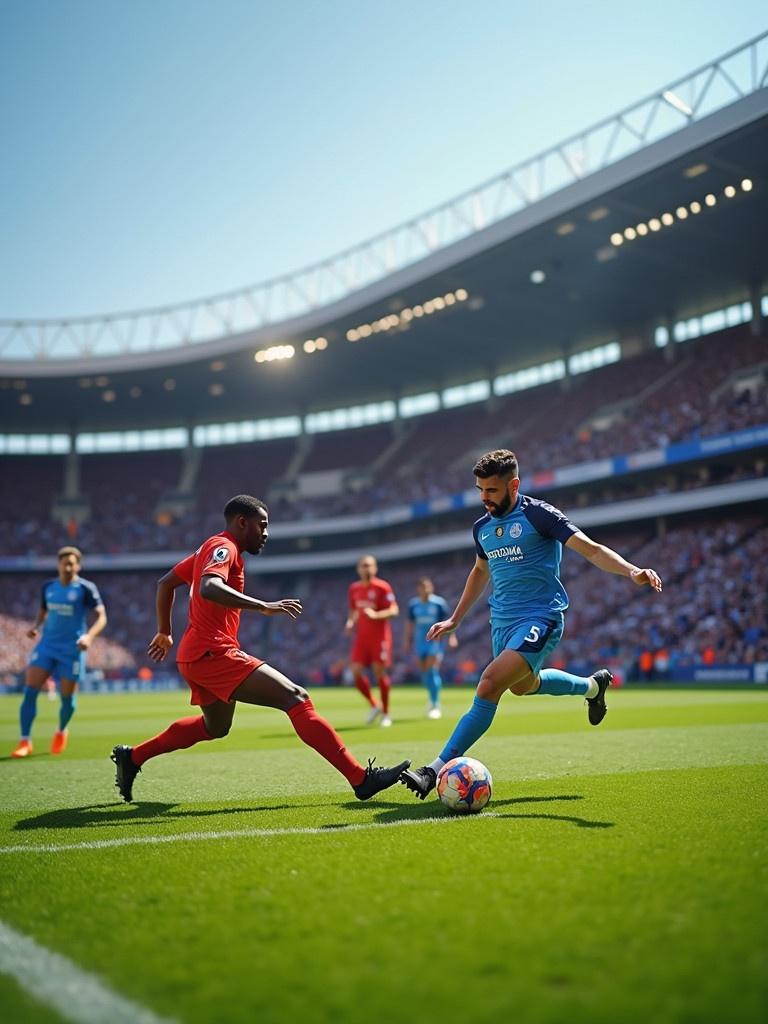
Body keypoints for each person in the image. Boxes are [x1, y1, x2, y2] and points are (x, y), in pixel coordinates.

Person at [400, 449, 662, 799]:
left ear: (514, 485)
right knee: (524, 686)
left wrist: (632, 570)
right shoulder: (482, 528)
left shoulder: (540, 515)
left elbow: (591, 549)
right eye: (480, 489)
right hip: (502, 622)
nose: (484, 498)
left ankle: (433, 769)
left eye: (491, 490)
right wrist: (454, 619)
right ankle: (592, 688)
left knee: (489, 684)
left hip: (542, 616)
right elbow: (480, 572)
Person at [111, 495, 409, 803]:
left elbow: (165, 583)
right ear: (242, 522)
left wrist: (164, 631)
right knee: (296, 698)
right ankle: (361, 779)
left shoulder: (208, 548)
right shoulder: (223, 547)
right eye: (262, 526)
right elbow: (208, 587)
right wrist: (262, 606)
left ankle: (133, 757)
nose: (265, 533)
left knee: (216, 727)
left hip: (196, 655)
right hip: (212, 652)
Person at [12, 546, 107, 758]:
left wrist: (89, 637)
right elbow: (44, 609)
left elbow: (102, 616)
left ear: (78, 566)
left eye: (72, 562)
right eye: (64, 562)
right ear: (58, 564)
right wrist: (36, 626)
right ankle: (25, 741)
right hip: (46, 646)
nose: (68, 566)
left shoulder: (85, 589)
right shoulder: (48, 587)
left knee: (67, 700)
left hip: (72, 650)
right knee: (29, 692)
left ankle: (61, 730)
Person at [345, 554, 399, 727]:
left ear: (375, 568)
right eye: (363, 565)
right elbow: (353, 610)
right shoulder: (354, 588)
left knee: (379, 673)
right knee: (355, 672)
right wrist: (350, 622)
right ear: (358, 569)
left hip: (380, 637)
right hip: (362, 638)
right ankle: (374, 704)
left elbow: (394, 610)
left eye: (369, 565)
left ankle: (386, 713)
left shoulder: (382, 587)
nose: (366, 569)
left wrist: (376, 615)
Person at [403, 577, 458, 719]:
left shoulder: (438, 603)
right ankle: (432, 697)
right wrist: (407, 641)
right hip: (419, 642)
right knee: (424, 672)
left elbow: (448, 621)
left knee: (432, 669)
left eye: (427, 587)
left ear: (431, 588)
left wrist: (451, 637)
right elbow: (410, 624)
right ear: (418, 589)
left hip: (435, 641)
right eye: (422, 587)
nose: (425, 590)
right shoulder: (414, 605)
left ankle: (435, 704)